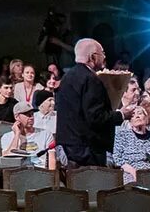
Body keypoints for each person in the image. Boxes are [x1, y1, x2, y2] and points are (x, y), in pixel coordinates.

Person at [55, 39, 132, 167]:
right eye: (102, 53)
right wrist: (121, 115)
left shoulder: (68, 76)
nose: (105, 56)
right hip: (87, 150)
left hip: (69, 147)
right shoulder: (91, 79)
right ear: (93, 57)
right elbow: (95, 117)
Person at [111, 104, 150, 182]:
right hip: (130, 172)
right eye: (133, 115)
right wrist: (134, 172)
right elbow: (117, 158)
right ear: (130, 122)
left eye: (140, 113)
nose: (137, 116)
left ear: (146, 119)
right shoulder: (122, 136)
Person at [1, 102, 56, 168]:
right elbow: (7, 159)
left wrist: (51, 176)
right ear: (17, 117)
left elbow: (52, 160)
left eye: (32, 114)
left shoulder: (46, 134)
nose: (31, 117)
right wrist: (17, 135)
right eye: (27, 115)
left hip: (40, 172)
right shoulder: (7, 137)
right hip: (17, 173)